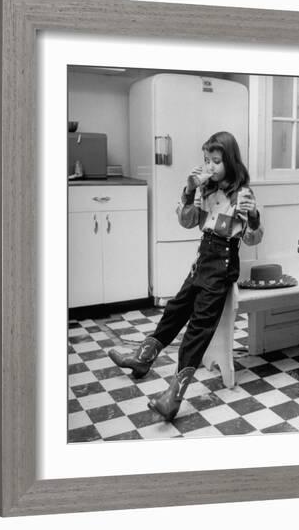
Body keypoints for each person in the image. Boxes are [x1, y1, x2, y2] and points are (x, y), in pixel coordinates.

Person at [108, 131, 264, 421]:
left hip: (222, 267)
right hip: (202, 262)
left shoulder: (242, 194)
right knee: (175, 310)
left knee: (197, 329)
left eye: (216, 161)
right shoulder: (206, 190)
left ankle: (173, 397)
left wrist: (253, 216)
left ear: (230, 161)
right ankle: (143, 358)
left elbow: (254, 239)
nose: (210, 166)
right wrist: (189, 189)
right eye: (207, 160)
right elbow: (187, 221)